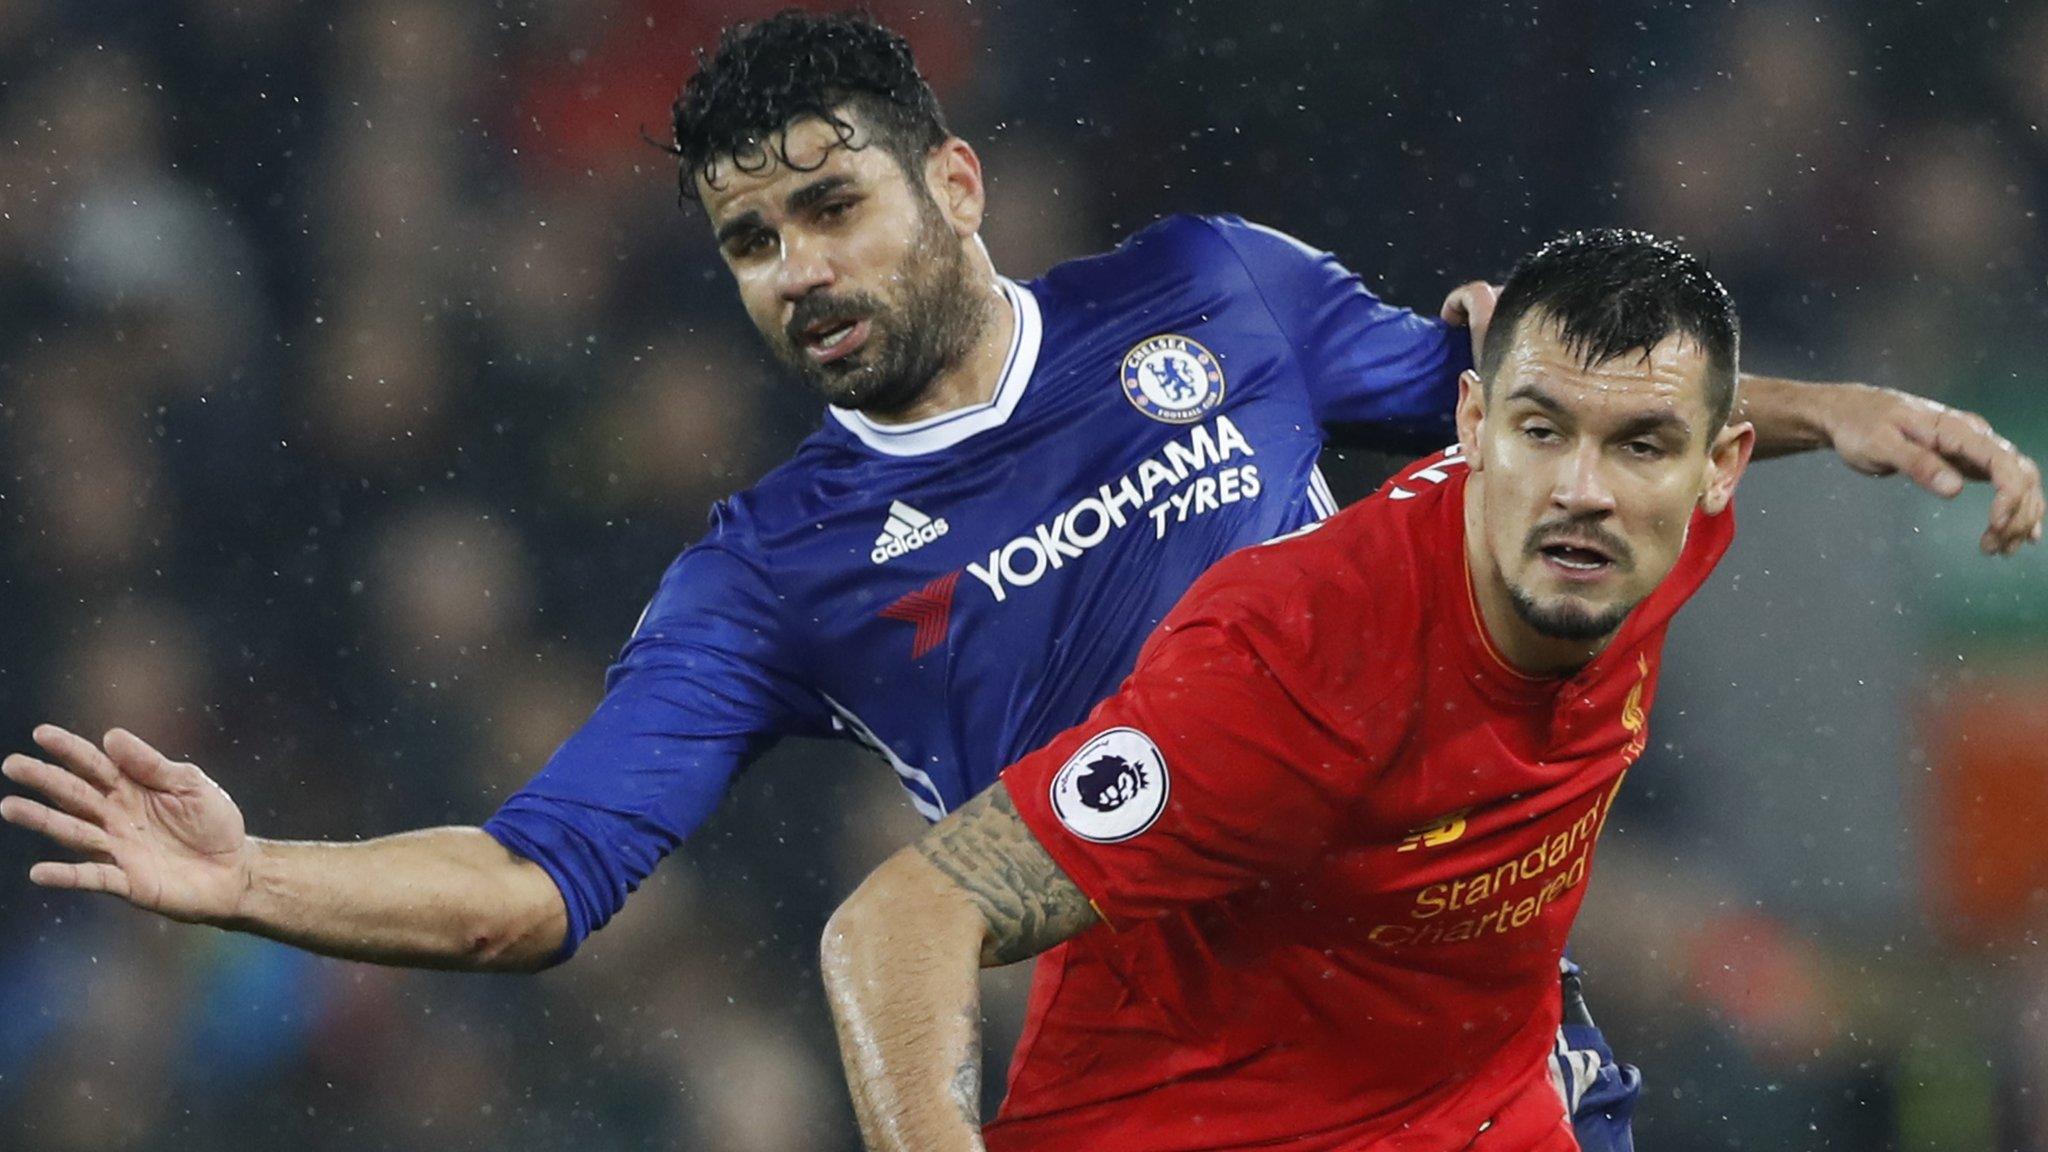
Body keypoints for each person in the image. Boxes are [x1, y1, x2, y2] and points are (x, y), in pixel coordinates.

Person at [0, 8, 2038, 1147]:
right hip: (1182, 1077)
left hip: (1452, 1016)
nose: (795, 267)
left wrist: (1819, 399)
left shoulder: (1216, 295)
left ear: (950, 183)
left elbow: (1527, 423)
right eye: (747, 241)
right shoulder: (768, 569)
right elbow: (550, 879)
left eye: (827, 205)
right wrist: (257, 876)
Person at [820, 228, 1764, 1151]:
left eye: (1641, 447)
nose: (1582, 490)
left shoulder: (1650, 548)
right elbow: (900, 923)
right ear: (1472, 423)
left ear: (1719, 469)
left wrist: (1849, 413)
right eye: (1542, 431)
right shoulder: (1294, 661)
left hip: (1484, 1094)